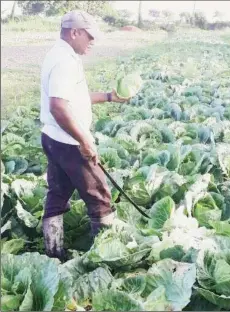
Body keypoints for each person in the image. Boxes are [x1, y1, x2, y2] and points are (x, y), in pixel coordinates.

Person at [40, 10, 128, 261]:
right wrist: (84, 140)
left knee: (57, 192)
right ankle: (107, 256)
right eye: (89, 36)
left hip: (54, 138)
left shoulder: (60, 54)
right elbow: (58, 107)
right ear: (74, 32)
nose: (92, 41)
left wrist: (110, 97)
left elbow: (72, 98)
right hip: (68, 142)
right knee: (99, 195)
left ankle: (53, 253)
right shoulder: (64, 61)